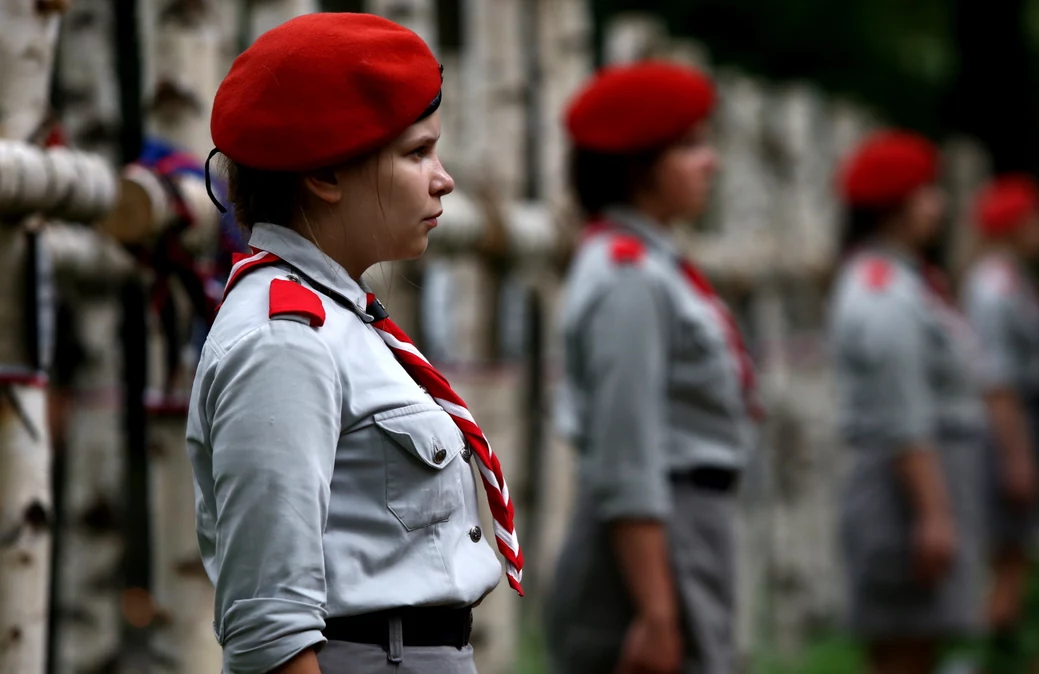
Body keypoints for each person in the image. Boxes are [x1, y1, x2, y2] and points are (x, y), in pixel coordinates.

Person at [187, 14, 522, 674]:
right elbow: (270, 625)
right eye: (416, 154)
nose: (443, 178)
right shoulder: (284, 340)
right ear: (326, 176)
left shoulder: (339, 319)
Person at [544, 61, 760, 674]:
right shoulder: (628, 278)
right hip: (651, 548)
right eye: (690, 146)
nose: (710, 162)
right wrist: (658, 611)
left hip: (677, 532)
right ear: (639, 166)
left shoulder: (650, 263)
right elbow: (627, 453)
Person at [829, 130, 987, 674]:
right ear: (891, 206)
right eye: (926, 193)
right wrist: (933, 514)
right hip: (905, 494)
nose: (938, 206)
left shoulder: (903, 279)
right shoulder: (882, 290)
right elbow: (902, 414)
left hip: (917, 487)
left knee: (921, 642)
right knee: (903, 649)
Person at [960, 175, 1039, 635]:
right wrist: (1017, 457)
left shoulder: (1014, 279)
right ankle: (994, 642)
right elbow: (997, 380)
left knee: (1016, 549)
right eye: (1037, 217)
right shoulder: (995, 285)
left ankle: (1005, 637)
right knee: (1008, 551)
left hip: (1016, 419)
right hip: (1005, 425)